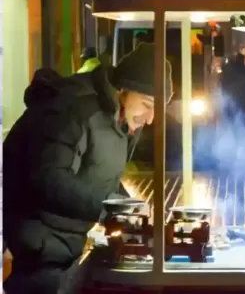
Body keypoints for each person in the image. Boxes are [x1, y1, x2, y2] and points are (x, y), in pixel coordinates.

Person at [4, 44, 173, 294]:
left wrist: (134, 212)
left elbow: (101, 175)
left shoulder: (119, 121)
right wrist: (113, 210)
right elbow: (49, 178)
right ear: (123, 90)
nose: (150, 118)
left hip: (66, 246)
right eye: (147, 104)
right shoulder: (74, 111)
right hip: (39, 245)